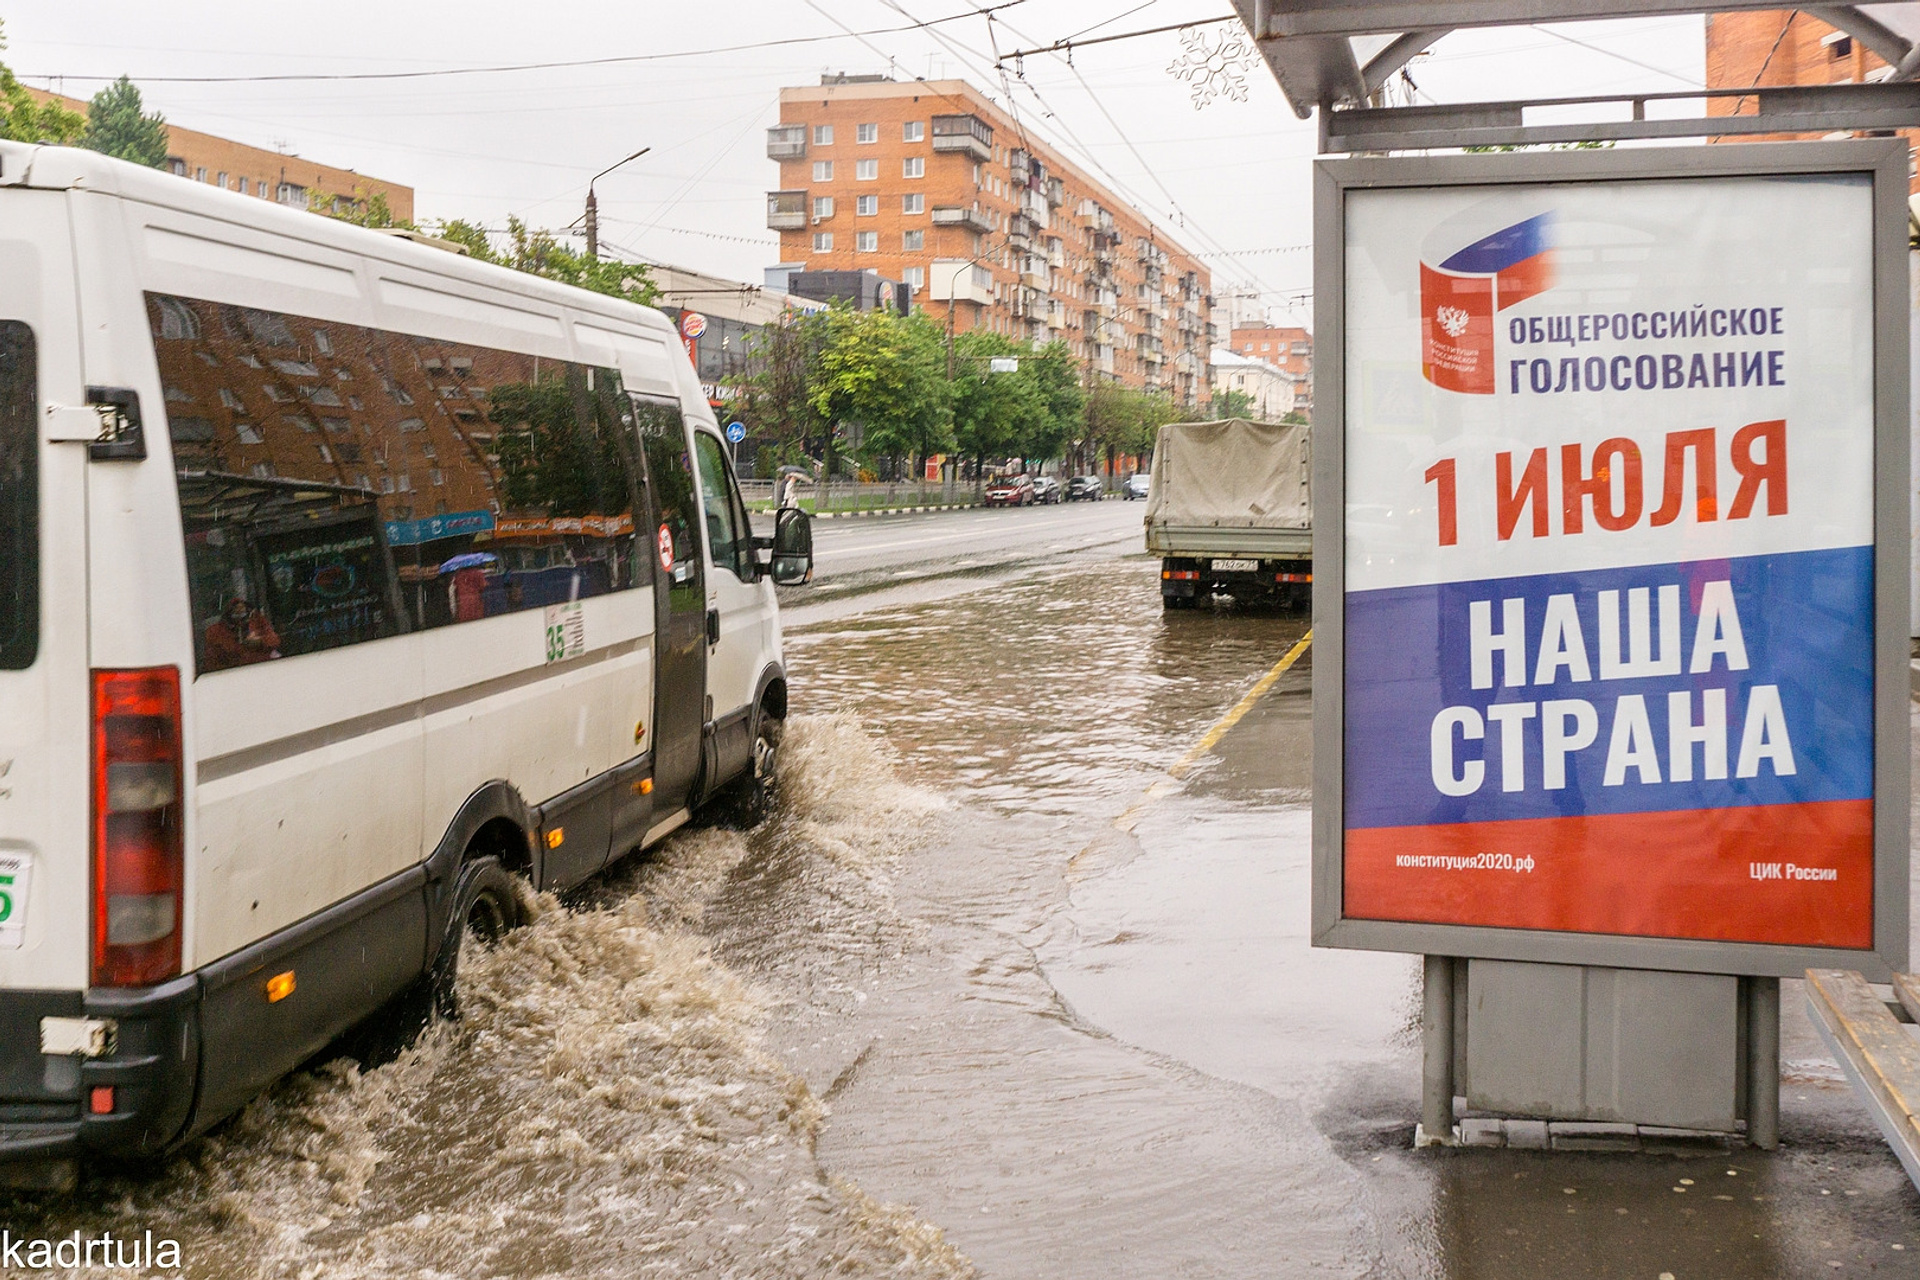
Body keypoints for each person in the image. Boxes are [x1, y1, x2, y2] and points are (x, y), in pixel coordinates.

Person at [204, 595, 281, 670]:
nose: (239, 610)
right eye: (235, 608)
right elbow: (211, 663)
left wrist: (260, 641)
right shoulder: (215, 631)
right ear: (227, 611)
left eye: (242, 607)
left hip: (263, 668)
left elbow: (275, 641)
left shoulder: (258, 621)